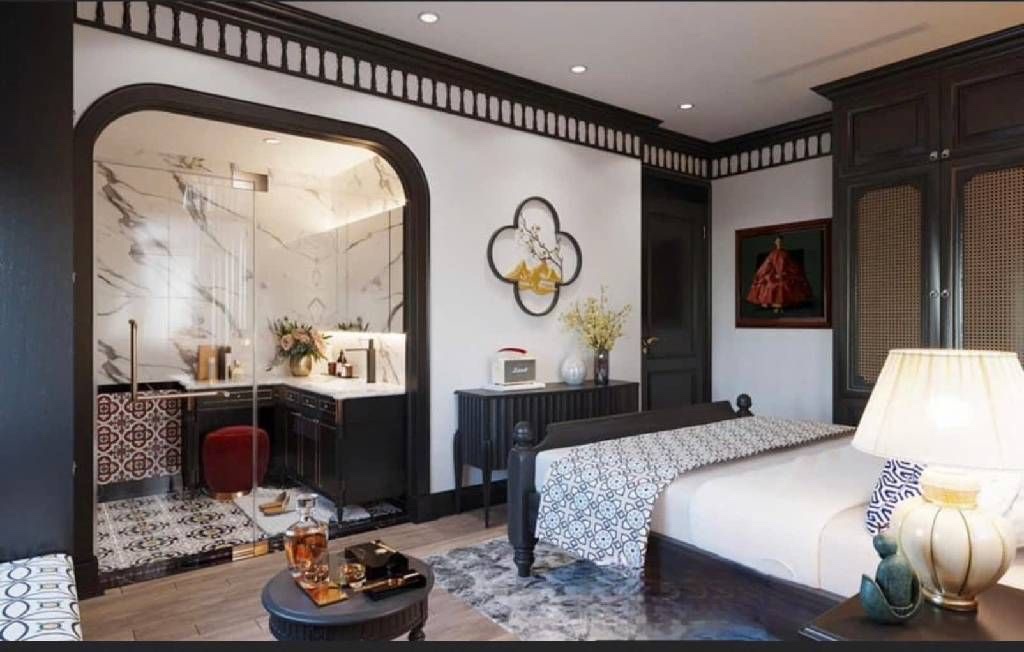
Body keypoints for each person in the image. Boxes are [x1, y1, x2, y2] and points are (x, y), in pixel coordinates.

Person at [746, 235, 813, 312]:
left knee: (785, 283)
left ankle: (783, 305)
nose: (779, 243)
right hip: (773, 274)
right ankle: (775, 305)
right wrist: (772, 274)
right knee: (771, 284)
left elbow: (791, 265)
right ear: (775, 242)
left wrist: (785, 272)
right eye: (778, 242)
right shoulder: (772, 254)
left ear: (783, 243)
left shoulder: (786, 254)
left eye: (781, 242)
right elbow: (767, 266)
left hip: (785, 274)